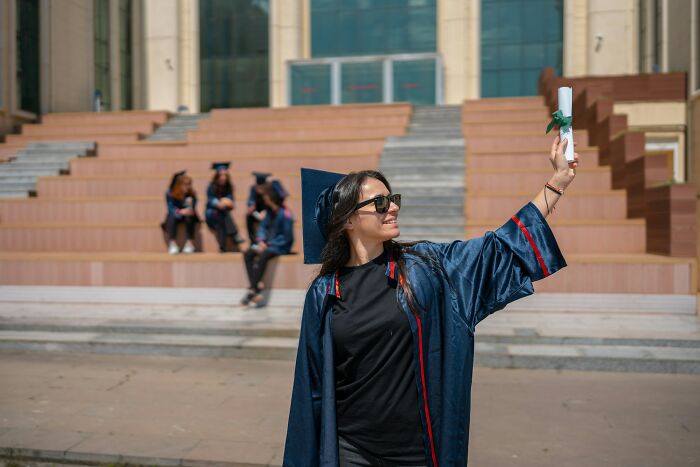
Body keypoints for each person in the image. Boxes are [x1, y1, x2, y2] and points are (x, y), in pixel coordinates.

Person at [283, 136, 578, 466]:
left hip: (418, 451)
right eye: (380, 203)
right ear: (348, 220)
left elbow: (499, 247)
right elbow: (311, 387)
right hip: (351, 449)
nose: (393, 206)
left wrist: (557, 182)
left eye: (392, 199)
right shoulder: (324, 292)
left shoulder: (426, 268)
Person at [241, 179, 295, 307]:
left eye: (266, 196)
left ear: (272, 197)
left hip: (280, 247)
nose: (264, 199)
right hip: (267, 245)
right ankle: (255, 287)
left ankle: (253, 289)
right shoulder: (269, 212)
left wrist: (268, 245)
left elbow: (287, 237)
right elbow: (262, 229)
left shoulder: (286, 214)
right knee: (248, 253)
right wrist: (261, 241)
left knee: (264, 255)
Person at [205, 162, 245, 252]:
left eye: (225, 176)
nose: (223, 178)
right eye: (221, 176)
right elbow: (211, 200)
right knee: (222, 214)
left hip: (222, 214)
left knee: (222, 218)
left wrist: (226, 202)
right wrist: (220, 203)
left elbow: (231, 202)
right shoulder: (211, 186)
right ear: (217, 177)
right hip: (211, 214)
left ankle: (222, 248)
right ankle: (234, 235)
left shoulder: (228, 187)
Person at [161, 170, 200, 255]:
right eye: (185, 185)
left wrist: (190, 205)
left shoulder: (191, 194)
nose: (188, 187)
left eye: (189, 184)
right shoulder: (170, 193)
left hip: (187, 216)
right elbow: (170, 208)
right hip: (176, 214)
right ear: (179, 185)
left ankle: (190, 243)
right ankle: (173, 244)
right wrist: (180, 211)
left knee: (190, 218)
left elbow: (193, 209)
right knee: (171, 217)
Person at [246, 171, 271, 245]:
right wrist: (251, 206)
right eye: (258, 187)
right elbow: (251, 201)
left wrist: (266, 211)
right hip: (257, 213)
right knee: (248, 216)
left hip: (268, 213)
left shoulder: (269, 190)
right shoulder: (253, 189)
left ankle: (268, 241)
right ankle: (253, 241)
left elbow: (272, 205)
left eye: (261, 187)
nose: (259, 189)